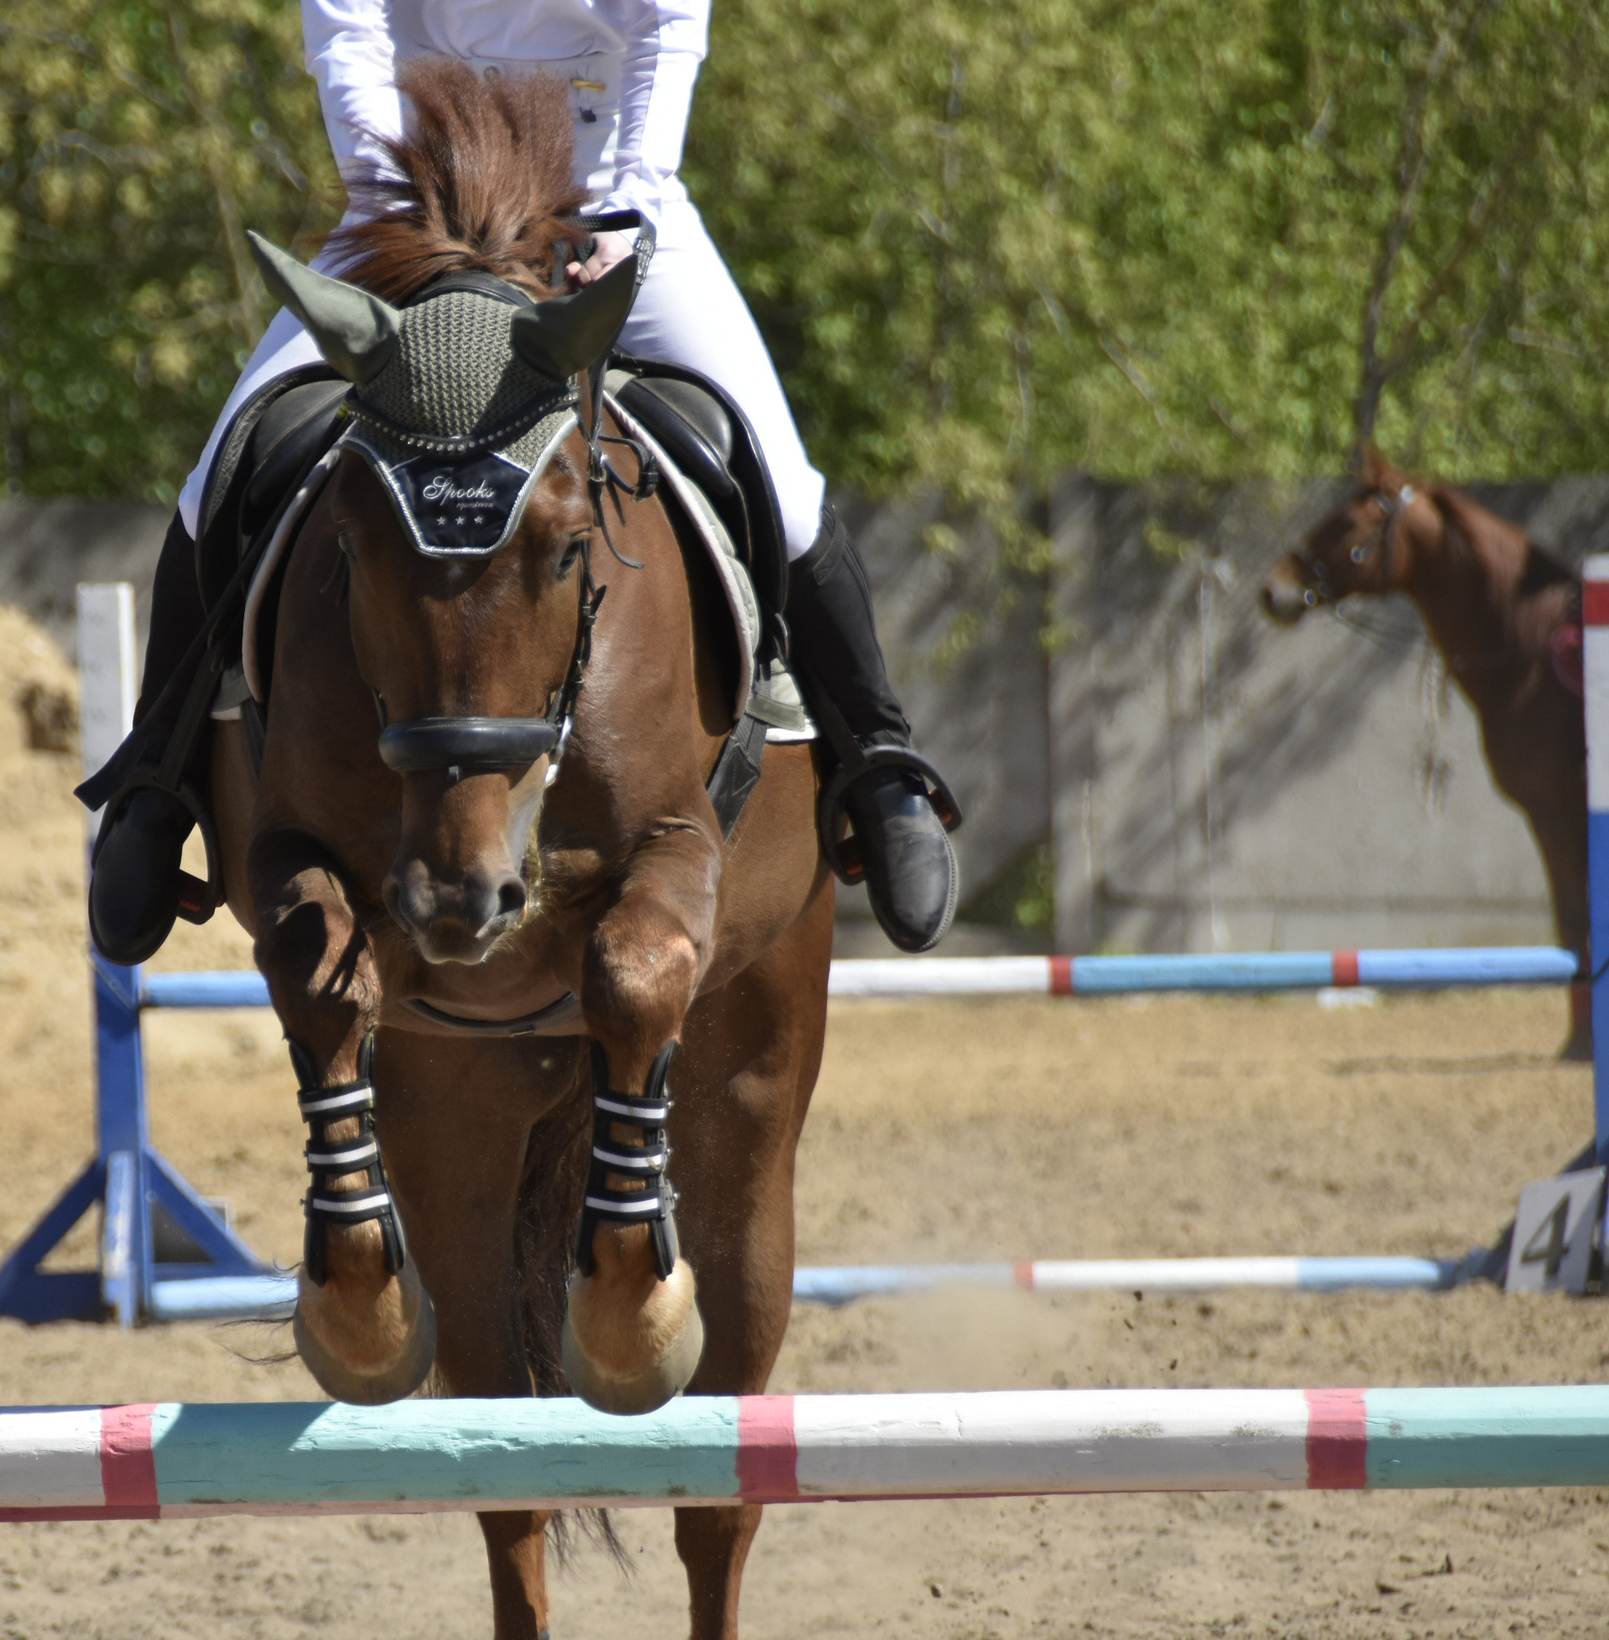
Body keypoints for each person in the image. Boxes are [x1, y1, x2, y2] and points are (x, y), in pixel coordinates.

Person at [85, 0, 958, 960]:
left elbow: (668, 27)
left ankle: (879, 762)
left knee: (779, 483)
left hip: (608, 185)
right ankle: (157, 782)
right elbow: (349, 33)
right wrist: (392, 198)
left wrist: (630, 203)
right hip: (420, 190)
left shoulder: (624, 187)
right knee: (223, 468)